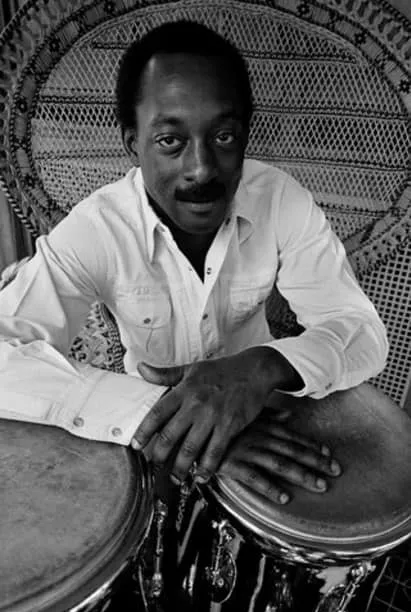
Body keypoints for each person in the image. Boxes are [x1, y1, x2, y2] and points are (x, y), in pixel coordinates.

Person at [0, 21, 388, 505]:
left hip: (263, 413)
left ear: (245, 135)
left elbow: (362, 333)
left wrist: (261, 367)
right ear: (133, 143)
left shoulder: (282, 201)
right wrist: (155, 410)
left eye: (224, 136)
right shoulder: (97, 228)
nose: (201, 168)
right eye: (170, 141)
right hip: (149, 436)